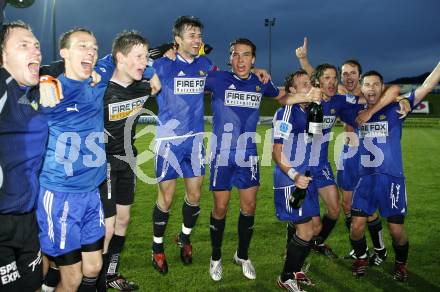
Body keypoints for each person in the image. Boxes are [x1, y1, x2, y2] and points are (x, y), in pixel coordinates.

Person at [347, 64, 440, 281]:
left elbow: (427, 85)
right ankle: (361, 258)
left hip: (392, 180)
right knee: (356, 227)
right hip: (365, 179)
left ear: (381, 88)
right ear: (361, 87)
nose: (371, 88)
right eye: (367, 84)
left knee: (396, 230)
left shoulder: (395, 108)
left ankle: (400, 264)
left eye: (376, 84)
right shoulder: (354, 110)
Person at [36, 27, 109, 291]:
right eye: (82, 46)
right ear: (64, 52)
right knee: (72, 276)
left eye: (94, 47)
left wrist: (153, 72)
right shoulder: (50, 92)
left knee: (93, 267)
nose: (91, 51)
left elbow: (128, 57)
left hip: (91, 192)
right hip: (60, 195)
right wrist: (42, 78)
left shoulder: (98, 80)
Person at [206, 38, 282, 281]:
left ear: (253, 59)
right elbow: (190, 78)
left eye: (246, 55)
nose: (240, 60)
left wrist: (306, 93)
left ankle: (242, 254)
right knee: (220, 208)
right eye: (236, 55)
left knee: (249, 207)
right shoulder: (217, 79)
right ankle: (216, 256)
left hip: (248, 154)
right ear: (230, 58)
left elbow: (280, 95)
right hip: (221, 154)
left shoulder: (260, 83)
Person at [150, 15, 214, 274]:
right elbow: (139, 59)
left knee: (195, 196)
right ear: (177, 40)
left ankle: (184, 238)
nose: (197, 40)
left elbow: (223, 82)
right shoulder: (162, 64)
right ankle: (157, 247)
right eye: (192, 36)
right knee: (166, 197)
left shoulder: (205, 64)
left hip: (196, 140)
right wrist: (161, 51)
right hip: (168, 141)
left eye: (199, 35)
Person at [97, 30, 158, 291]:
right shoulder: (99, 88)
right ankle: (95, 280)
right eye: (139, 57)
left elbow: (160, 79)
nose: (144, 62)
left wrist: (153, 69)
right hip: (103, 163)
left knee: (123, 221)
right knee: (107, 228)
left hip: (128, 160)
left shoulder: (142, 88)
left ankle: (111, 274)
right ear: (119, 58)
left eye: (146, 57)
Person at [0, 20, 46, 292]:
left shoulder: (31, 92)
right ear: (3, 56)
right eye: (24, 45)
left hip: (28, 220)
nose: (35, 51)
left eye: (37, 46)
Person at [272, 70, 317, 291]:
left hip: (305, 177)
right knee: (306, 230)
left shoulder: (308, 110)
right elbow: (277, 151)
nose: (309, 87)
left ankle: (296, 269)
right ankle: (286, 277)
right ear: (292, 90)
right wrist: (294, 175)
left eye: (310, 83)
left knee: (313, 227)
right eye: (304, 84)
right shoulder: (287, 111)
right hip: (290, 179)